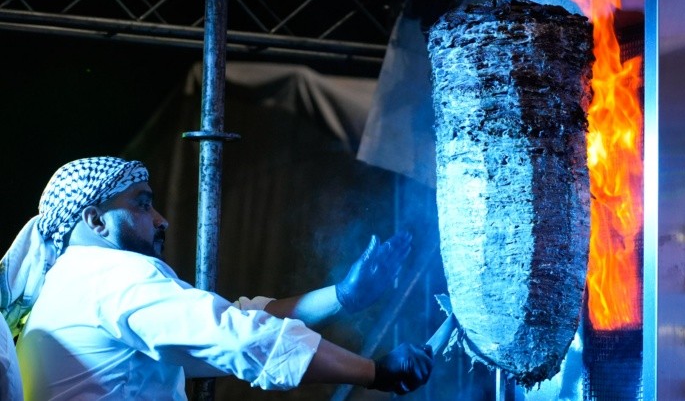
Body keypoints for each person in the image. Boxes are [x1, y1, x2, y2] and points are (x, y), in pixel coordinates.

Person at [1, 156, 433, 399]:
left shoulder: (71, 285)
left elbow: (223, 324)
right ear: (95, 221)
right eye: (143, 204)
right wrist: (376, 371)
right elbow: (239, 337)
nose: (162, 219)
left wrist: (342, 296)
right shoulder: (111, 277)